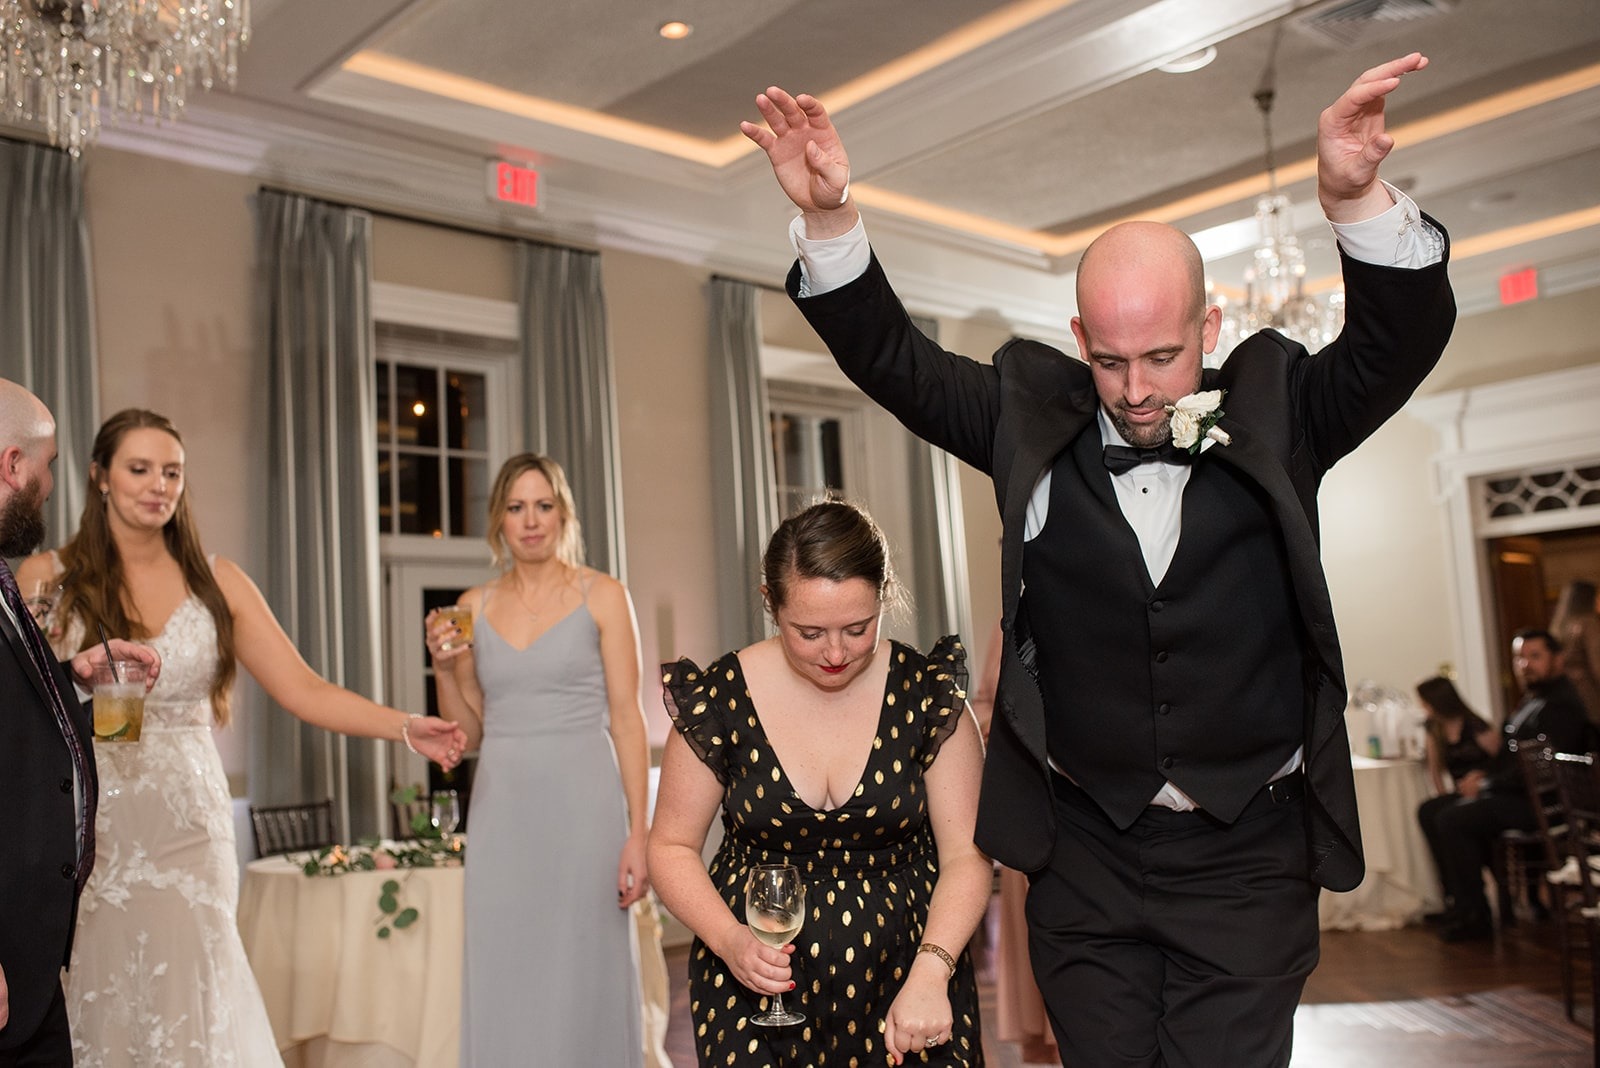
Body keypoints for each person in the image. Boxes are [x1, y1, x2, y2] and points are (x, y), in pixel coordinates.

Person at [742, 52, 1454, 1066]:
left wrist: (1353, 200)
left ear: (1206, 329)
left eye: (1161, 357)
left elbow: (1399, 341)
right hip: (1088, 857)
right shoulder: (1026, 427)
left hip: (1248, 853)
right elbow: (892, 360)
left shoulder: (1280, 413)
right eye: (1109, 360)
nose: (1135, 390)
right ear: (1079, 339)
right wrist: (829, 220)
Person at [17, 407, 465, 1066]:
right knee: (100, 991)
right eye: (139, 469)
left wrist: (404, 726)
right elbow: (25, 704)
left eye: (171, 471)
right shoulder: (49, 578)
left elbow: (306, 690)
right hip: (96, 827)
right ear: (100, 476)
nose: (158, 486)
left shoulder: (217, 580)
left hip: (192, 831)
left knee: (199, 985)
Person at [649, 500, 991, 1066]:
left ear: (884, 599)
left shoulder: (928, 696)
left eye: (858, 629)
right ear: (770, 604)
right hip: (754, 976)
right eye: (808, 633)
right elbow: (669, 846)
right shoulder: (718, 698)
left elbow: (967, 857)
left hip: (909, 969)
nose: (835, 653)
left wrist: (934, 968)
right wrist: (731, 941)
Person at [425, 452, 650, 1067]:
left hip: (586, 810)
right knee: (505, 964)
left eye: (543, 506)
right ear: (498, 518)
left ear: (563, 514)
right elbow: (468, 731)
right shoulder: (468, 605)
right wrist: (444, 668)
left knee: (586, 962)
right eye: (517, 507)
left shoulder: (605, 595)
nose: (531, 521)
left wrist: (640, 834)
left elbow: (630, 719)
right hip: (503, 811)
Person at [0, 381, 161, 1066]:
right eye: (47, 467)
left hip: (32, 957)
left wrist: (70, 678)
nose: (45, 487)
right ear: (12, 464)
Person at [1431, 629, 1593, 942]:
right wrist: (1483, 776)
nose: (1525, 664)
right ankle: (1458, 902)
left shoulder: (1559, 705)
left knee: (1452, 818)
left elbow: (1541, 771)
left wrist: (1486, 784)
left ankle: (1475, 912)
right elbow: (1508, 758)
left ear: (1557, 660)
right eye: (1520, 657)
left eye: (1535, 656)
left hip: (1539, 804)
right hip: (1514, 794)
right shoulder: (1531, 701)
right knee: (1433, 810)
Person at [1412, 675, 1499, 914]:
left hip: (1485, 790)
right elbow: (1435, 769)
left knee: (1446, 817)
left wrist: (1481, 778)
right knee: (1429, 811)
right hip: (1460, 792)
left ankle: (1470, 896)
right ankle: (1450, 888)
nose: (1423, 707)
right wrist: (1443, 796)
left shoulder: (1475, 725)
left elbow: (1501, 762)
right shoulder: (1434, 727)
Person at [1550, 579, 1600, 723]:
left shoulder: (1558, 625)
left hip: (1565, 692)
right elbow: (1597, 663)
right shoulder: (1588, 623)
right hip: (1587, 692)